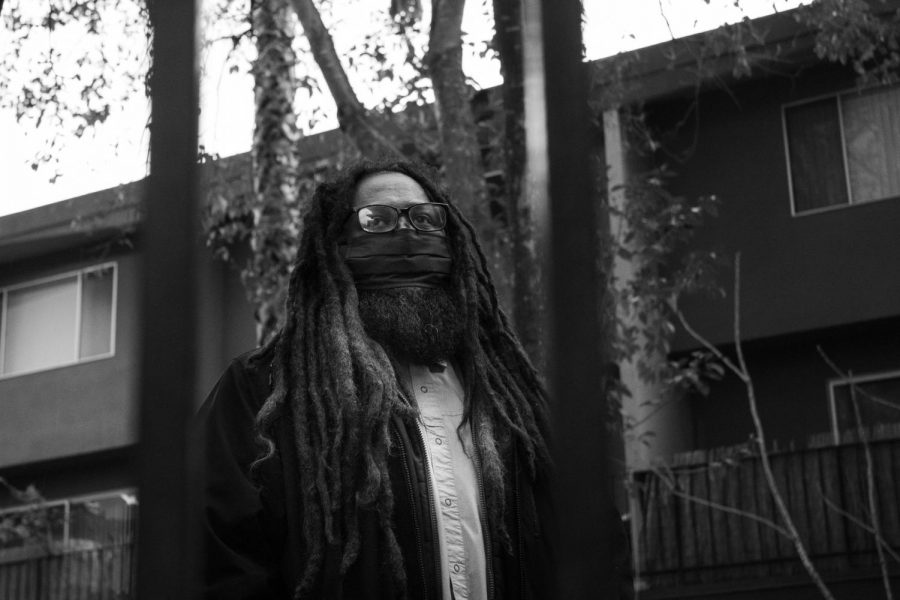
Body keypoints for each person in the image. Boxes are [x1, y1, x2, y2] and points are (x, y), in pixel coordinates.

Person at [199, 159, 629, 599]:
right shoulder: (263, 391)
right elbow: (216, 564)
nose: (407, 234)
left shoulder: (517, 404)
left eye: (425, 219)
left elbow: (596, 550)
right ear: (336, 247)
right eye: (378, 220)